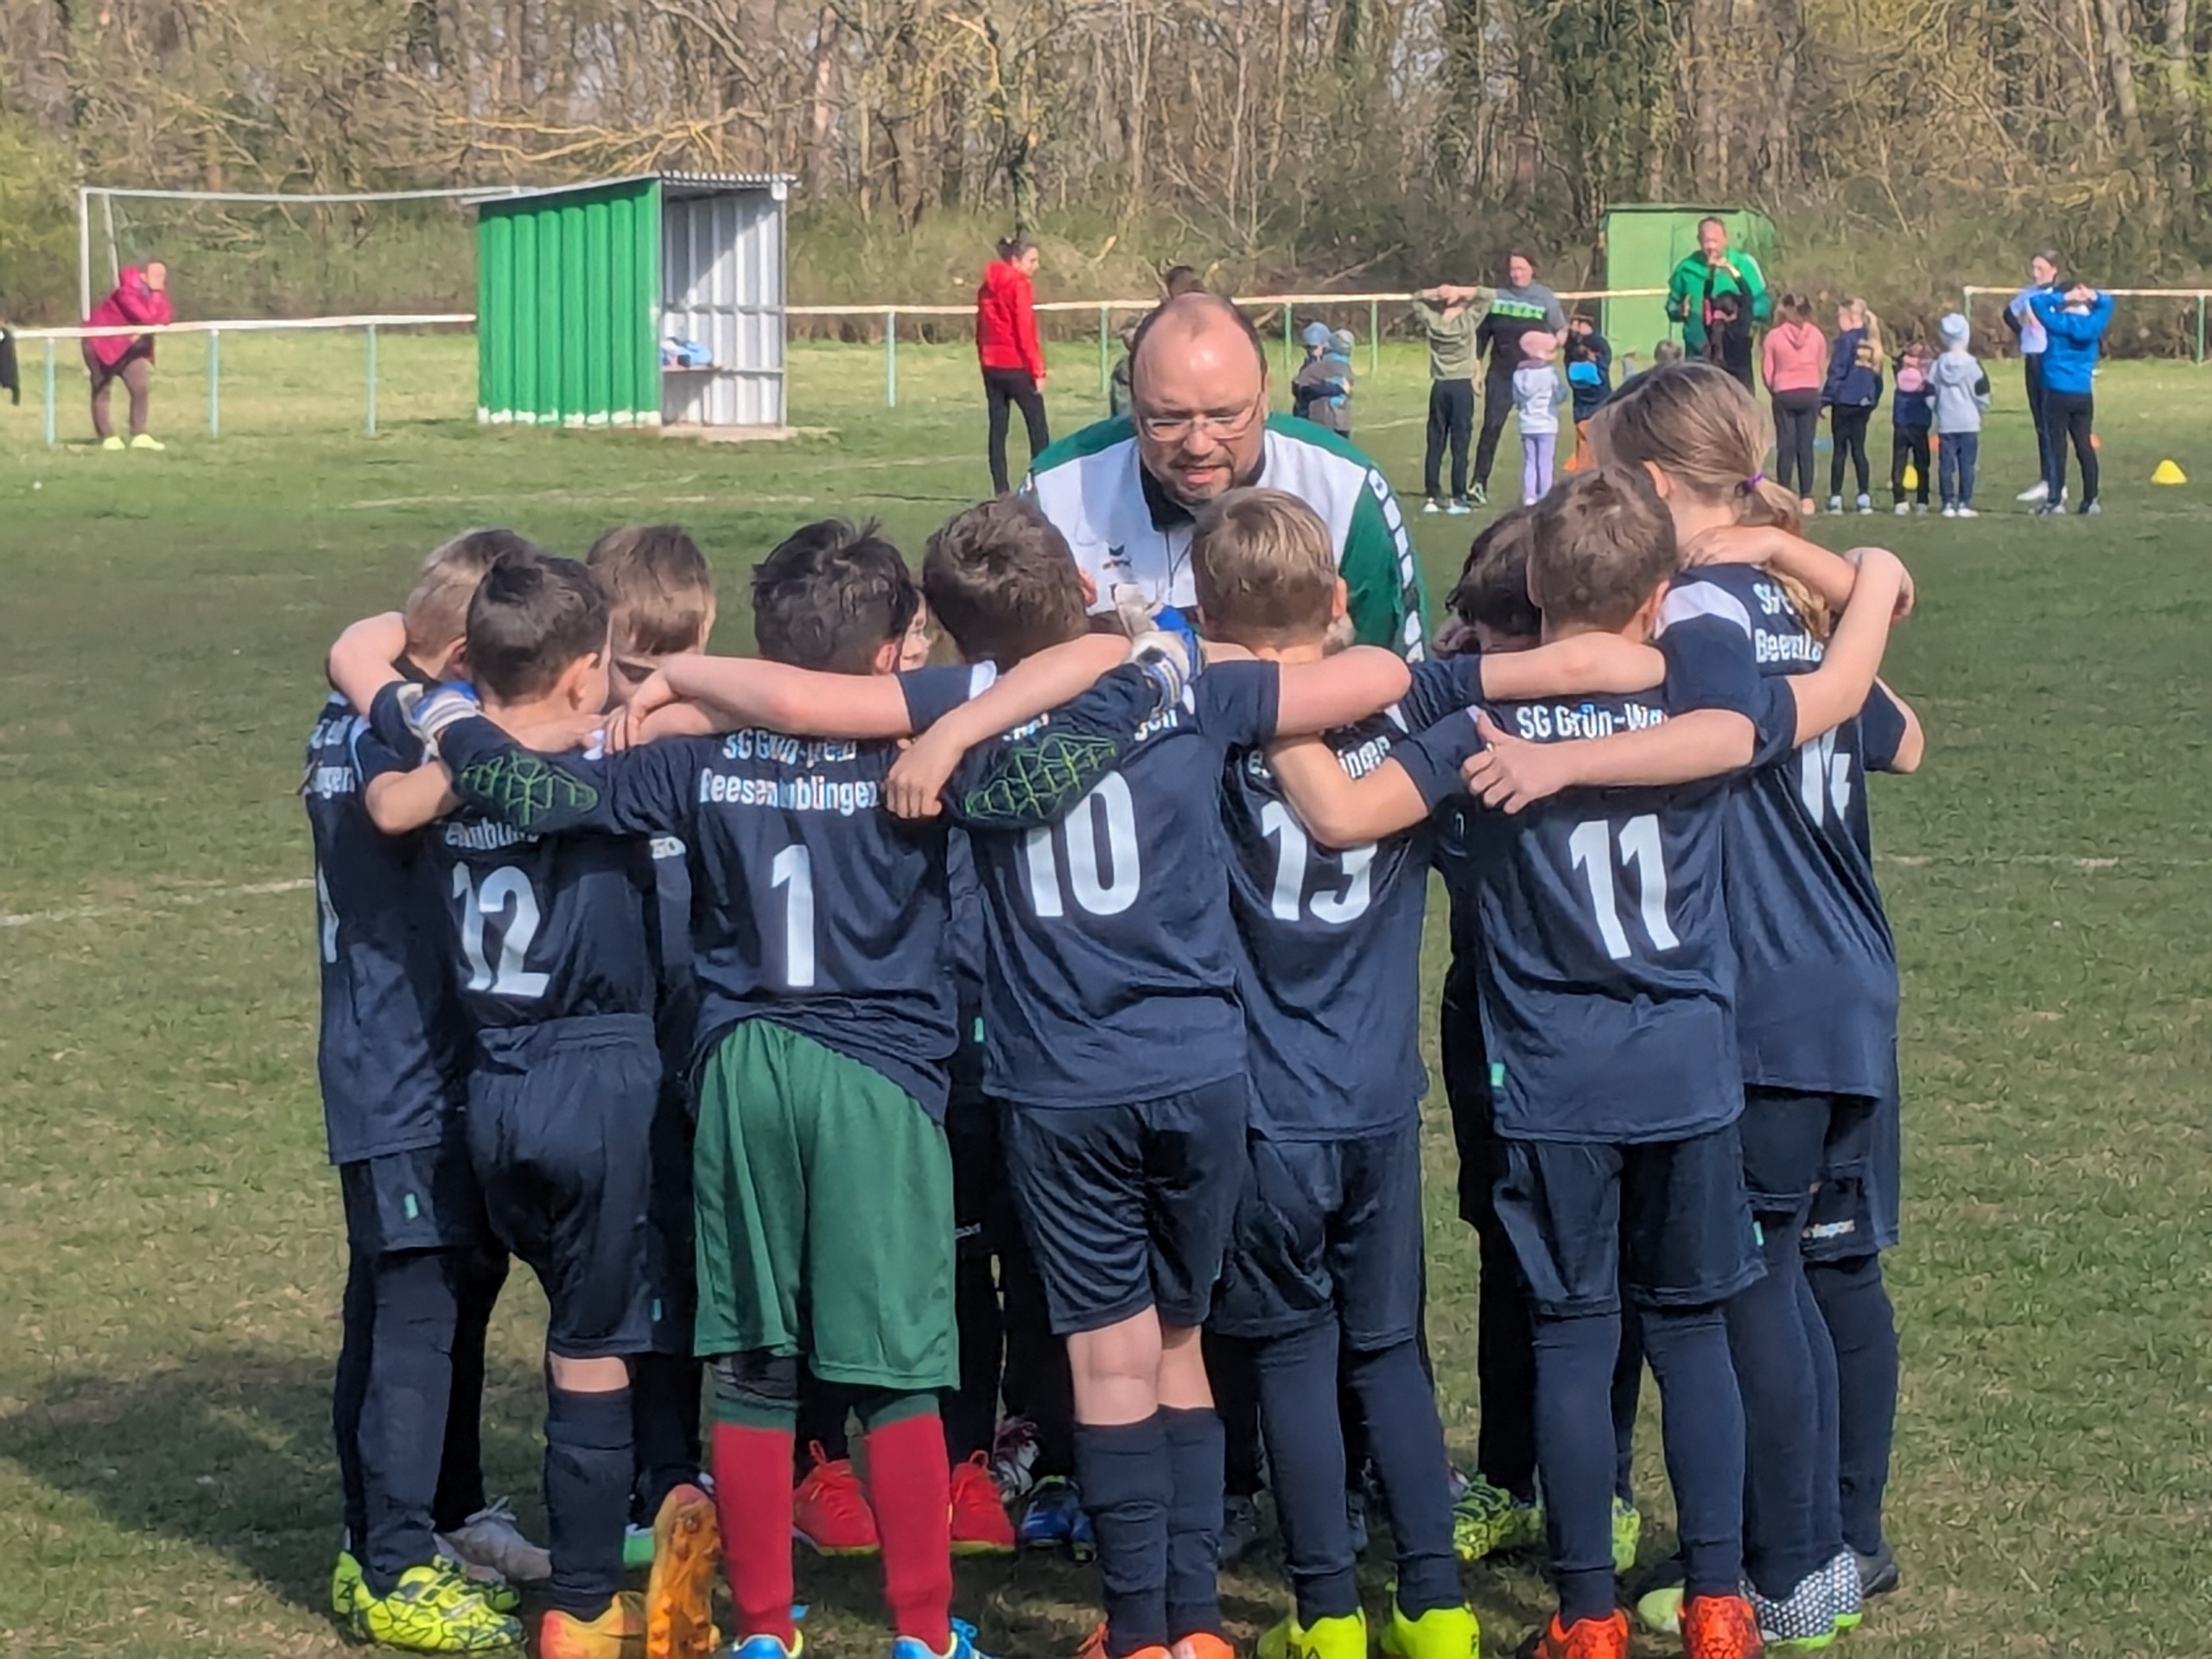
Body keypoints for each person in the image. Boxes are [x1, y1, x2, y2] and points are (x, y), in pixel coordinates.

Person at [1266, 467, 1906, 1659]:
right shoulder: (1699, 704)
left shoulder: (1473, 728)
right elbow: (1845, 695)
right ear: (1659, 595)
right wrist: (1870, 580)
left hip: (1553, 1082)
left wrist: (1264, 706)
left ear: (1531, 582)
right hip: (1691, 1073)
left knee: (1571, 1335)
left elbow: (1341, 817)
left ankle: (1588, 1616)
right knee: (1692, 1332)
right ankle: (1719, 1603)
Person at [880, 495, 1417, 1659]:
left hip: (1062, 1081)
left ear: (956, 629)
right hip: (1199, 1067)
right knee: (1179, 1345)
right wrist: (1160, 647)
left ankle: (1137, 1631)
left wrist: (668, 687)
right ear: (1082, 585)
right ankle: (1197, 1625)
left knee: (1106, 1361)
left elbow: (800, 701)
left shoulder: (956, 710)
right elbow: (1379, 673)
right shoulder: (1189, 686)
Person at [341, 551, 722, 1659]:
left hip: (492, 1086)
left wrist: (459, 721)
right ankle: (587, 1603)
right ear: (582, 672)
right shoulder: (617, 766)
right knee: (597, 1350)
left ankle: (629, 1517)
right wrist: (653, 697)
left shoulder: (448, 767)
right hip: (598, 1079)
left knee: (572, 1326)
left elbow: (387, 784)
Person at [310, 531, 539, 1655]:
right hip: (399, 1070)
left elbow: (361, 646)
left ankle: (428, 1523)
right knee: (409, 1313)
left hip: (416, 1064)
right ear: (457, 661)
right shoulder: (396, 742)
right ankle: (393, 1562)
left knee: (432, 1295)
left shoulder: (364, 707)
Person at [1025, 291, 1428, 659]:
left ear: (1264, 397)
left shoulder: (1343, 488)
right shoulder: (1057, 490)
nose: (1198, 444)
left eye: (1225, 416)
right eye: (1167, 420)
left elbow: (1401, 680)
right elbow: (1004, 673)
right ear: (1133, 405)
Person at [1471, 251, 1570, 505]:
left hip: (1535, 376)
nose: (1516, 274)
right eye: (1513, 269)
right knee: (1492, 427)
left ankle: (1540, 492)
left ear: (1531, 269)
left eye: (1521, 268)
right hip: (1502, 374)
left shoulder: (1544, 298)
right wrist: (1476, 368)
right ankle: (1478, 483)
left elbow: (1561, 329)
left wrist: (1552, 347)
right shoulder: (1498, 297)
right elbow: (1482, 336)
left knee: (1540, 435)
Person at [2028, 283, 2113, 517]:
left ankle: (2055, 500)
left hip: (2056, 390)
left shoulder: (2058, 324)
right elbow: (2108, 304)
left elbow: (2036, 303)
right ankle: (2091, 499)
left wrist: (2063, 296)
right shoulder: (2093, 326)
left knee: (2056, 446)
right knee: (2084, 445)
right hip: (2082, 392)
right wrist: (2093, 295)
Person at [978, 237, 1051, 495]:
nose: (1036, 266)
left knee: (998, 430)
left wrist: (984, 359)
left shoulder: (987, 287)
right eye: (1032, 260)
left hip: (991, 365)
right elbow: (1024, 331)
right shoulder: (1019, 285)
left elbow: (982, 328)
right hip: (1016, 365)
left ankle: (1001, 491)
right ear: (1015, 261)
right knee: (1038, 428)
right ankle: (1044, 485)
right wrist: (1038, 370)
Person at [1410, 283, 1491, 512]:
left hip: (1440, 385)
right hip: (1461, 386)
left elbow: (1416, 299)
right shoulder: (1467, 322)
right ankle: (1458, 492)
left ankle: (1432, 493)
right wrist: (1460, 291)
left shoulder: (1435, 324)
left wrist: (1435, 292)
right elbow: (1488, 296)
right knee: (1460, 442)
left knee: (1436, 441)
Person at [1664, 218, 1770, 385]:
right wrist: (1679, 310)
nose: (1711, 246)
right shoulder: (1686, 269)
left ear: (1725, 239)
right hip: (1698, 349)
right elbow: (1671, 306)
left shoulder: (1743, 265)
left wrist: (1740, 313)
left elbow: (1764, 305)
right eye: (1706, 241)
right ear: (1699, 240)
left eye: (1715, 241)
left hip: (1734, 348)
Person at [85, 259, 172, 450]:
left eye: (162, 276)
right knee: (102, 390)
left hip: (127, 348)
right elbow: (146, 317)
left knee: (140, 387)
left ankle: (139, 434)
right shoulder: (126, 292)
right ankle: (107, 436)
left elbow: (165, 316)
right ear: (143, 275)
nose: (160, 280)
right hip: (100, 344)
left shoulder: (154, 294)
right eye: (156, 275)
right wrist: (151, 316)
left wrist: (157, 296)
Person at [2005, 251, 2064, 502]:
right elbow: (2008, 313)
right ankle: (2047, 479)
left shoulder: (2060, 296)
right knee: (2040, 421)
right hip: (2032, 358)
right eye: (2034, 267)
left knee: (2053, 421)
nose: (2035, 273)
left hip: (2050, 359)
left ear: (2054, 269)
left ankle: (2057, 481)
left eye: (2041, 268)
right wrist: (2022, 333)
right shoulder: (2028, 294)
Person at [1762, 294, 1827, 515]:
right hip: (1809, 390)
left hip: (1784, 391)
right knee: (1806, 446)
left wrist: (1775, 389)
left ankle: (1784, 493)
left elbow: (1767, 371)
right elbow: (1820, 365)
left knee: (1786, 445)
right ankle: (1807, 497)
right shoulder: (1817, 335)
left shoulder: (1774, 336)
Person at [1821, 298, 1885, 514]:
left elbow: (1837, 371)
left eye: (1840, 316)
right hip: (1863, 402)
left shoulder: (1845, 341)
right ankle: (1864, 497)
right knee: (1859, 449)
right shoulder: (1872, 340)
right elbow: (1878, 377)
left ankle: (1836, 498)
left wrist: (1826, 399)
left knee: (1840, 450)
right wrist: (1872, 399)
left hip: (1845, 401)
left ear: (1850, 317)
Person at [1929, 315, 1992, 518]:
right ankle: (1965, 502)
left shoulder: (1938, 365)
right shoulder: (1974, 365)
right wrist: (1979, 410)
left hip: (1946, 422)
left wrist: (1937, 409)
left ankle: (1948, 502)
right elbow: (1983, 393)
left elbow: (1930, 392)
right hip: (1969, 422)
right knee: (1967, 465)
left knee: (1946, 465)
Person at [1510, 332, 1567, 503]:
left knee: (1530, 461)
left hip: (1527, 424)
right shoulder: (1551, 374)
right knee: (1545, 462)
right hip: (1547, 424)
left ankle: (1529, 496)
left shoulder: (1518, 374)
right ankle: (1545, 495)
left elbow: (1517, 398)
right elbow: (1562, 394)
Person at [1888, 344, 1934, 518]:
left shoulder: (1900, 371)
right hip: (1920, 423)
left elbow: (1896, 358)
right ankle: (1922, 500)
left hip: (1901, 422)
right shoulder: (1926, 373)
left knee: (1899, 462)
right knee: (1922, 464)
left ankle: (1899, 500)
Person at [1562, 316, 1613, 469]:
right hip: (1599, 412)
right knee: (1600, 452)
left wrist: (1574, 336)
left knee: (1583, 455)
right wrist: (1590, 335)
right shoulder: (1598, 373)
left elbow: (1569, 351)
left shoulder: (1572, 371)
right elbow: (1605, 352)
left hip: (1580, 415)